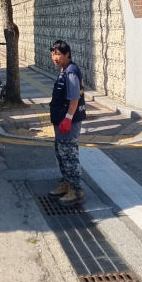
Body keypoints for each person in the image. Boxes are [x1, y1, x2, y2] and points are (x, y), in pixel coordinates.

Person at [49, 39, 86, 206]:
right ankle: (66, 184)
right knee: (61, 154)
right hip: (61, 121)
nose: (55, 57)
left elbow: (74, 98)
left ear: (67, 54)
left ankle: (76, 191)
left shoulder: (71, 72)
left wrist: (68, 118)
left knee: (70, 156)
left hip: (68, 123)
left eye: (58, 54)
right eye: (53, 54)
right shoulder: (64, 70)